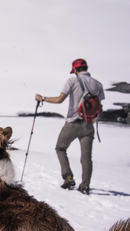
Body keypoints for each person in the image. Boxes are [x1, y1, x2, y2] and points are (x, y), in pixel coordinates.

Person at [35, 59, 105, 195]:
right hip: (89, 125)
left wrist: (42, 98)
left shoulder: (72, 81)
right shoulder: (98, 84)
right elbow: (98, 107)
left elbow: (59, 100)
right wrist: (91, 122)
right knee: (86, 157)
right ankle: (84, 186)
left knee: (60, 148)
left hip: (72, 123)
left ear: (76, 70)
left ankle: (68, 177)